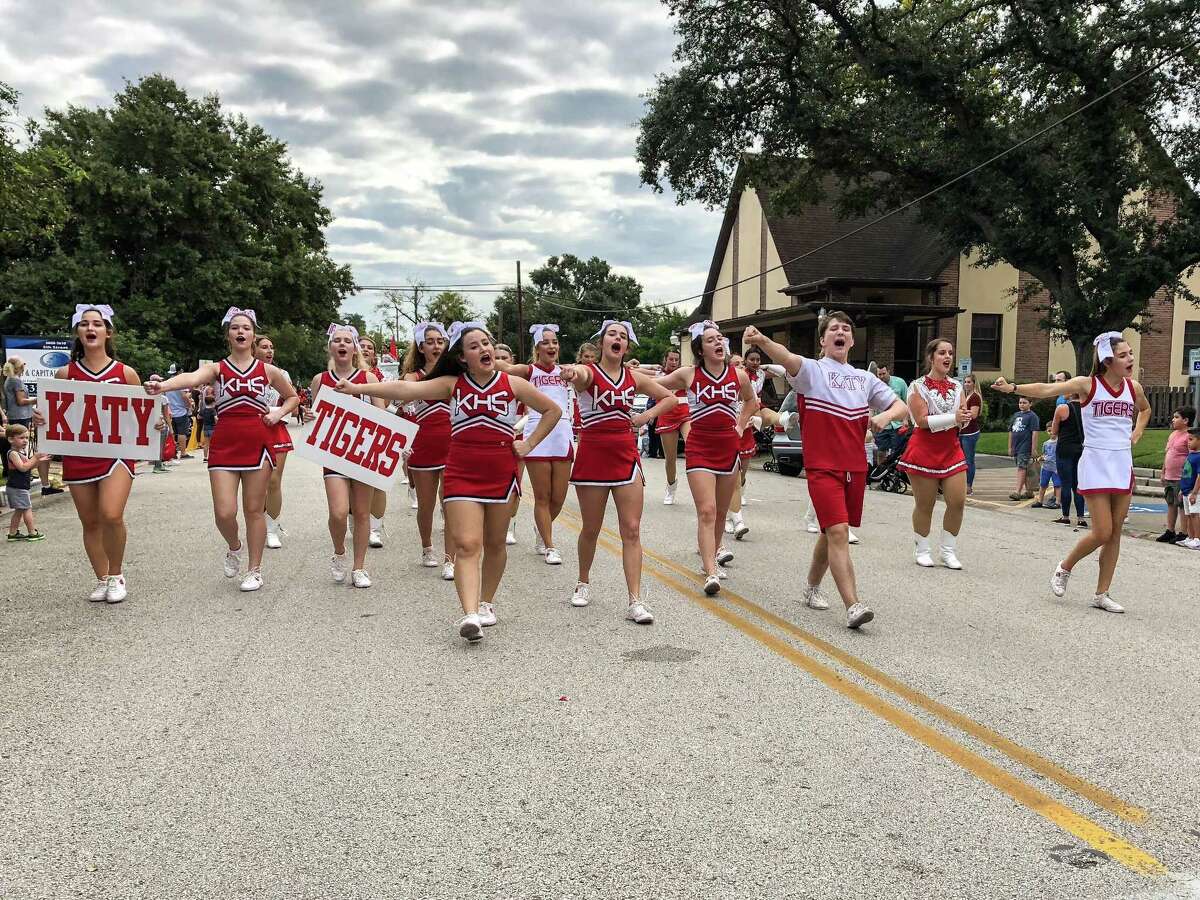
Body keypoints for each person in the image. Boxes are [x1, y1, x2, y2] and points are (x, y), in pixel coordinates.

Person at [339, 322, 562, 642]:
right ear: (461, 357)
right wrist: (358, 389)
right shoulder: (451, 384)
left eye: (486, 343)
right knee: (467, 544)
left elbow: (551, 410)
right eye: (474, 346)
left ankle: (486, 603)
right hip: (461, 471)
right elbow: (406, 390)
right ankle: (470, 613)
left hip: (501, 470)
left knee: (496, 543)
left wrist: (528, 444)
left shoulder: (512, 384)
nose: (484, 349)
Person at [744, 313, 907, 628]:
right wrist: (762, 340)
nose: (840, 332)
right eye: (834, 329)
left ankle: (811, 587)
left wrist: (885, 418)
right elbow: (788, 358)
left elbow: (899, 406)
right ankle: (853, 605)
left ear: (852, 340)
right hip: (822, 466)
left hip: (855, 466)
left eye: (846, 329)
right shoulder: (813, 372)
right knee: (837, 531)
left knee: (832, 530)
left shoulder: (864, 378)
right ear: (823, 340)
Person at [992, 331, 1151, 613]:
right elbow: (1046, 390)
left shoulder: (1133, 387)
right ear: (1106, 359)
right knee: (1102, 531)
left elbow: (1145, 410)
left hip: (1121, 464)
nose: (1130, 358)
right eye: (1124, 355)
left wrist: (1137, 431)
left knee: (1115, 533)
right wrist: (1013, 388)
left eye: (1130, 353)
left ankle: (1102, 593)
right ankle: (1064, 567)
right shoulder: (1087, 385)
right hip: (1095, 462)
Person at [146, 308, 298, 592]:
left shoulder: (268, 370)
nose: (241, 332)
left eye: (246, 328)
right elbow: (190, 378)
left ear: (253, 335)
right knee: (224, 512)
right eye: (235, 328)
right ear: (228, 334)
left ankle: (254, 569)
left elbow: (292, 398)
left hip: (257, 441)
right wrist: (163, 386)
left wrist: (277, 414)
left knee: (254, 510)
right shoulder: (217, 369)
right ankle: (234, 546)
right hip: (225, 442)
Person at [563, 320, 676, 622]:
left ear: (627, 346)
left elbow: (670, 397)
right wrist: (573, 372)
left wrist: (645, 417)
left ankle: (635, 600)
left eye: (622, 336)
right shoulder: (589, 374)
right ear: (602, 343)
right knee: (591, 528)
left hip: (625, 455)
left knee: (632, 529)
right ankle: (583, 581)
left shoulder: (633, 376)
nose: (617, 339)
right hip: (593, 456)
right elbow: (581, 374)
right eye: (611, 334)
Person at [44, 306, 149, 602]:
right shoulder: (65, 373)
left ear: (108, 332)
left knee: (111, 514)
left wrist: (154, 421)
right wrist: (43, 420)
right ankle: (102, 578)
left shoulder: (125, 373)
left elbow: (142, 413)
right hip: (79, 454)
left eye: (98, 324)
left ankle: (116, 574)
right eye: (85, 324)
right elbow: (56, 414)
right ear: (79, 332)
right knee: (89, 522)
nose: (91, 328)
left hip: (116, 454)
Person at [655, 320, 755, 594]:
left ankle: (710, 555)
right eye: (711, 340)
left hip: (728, 448)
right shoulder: (688, 374)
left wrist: (740, 424)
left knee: (721, 513)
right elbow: (654, 385)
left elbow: (751, 401)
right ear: (700, 350)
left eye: (720, 338)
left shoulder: (739, 375)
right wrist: (628, 376)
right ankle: (711, 572)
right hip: (700, 447)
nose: (718, 342)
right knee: (707, 510)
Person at [309, 324, 384, 588]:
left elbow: (382, 416)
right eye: (337, 340)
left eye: (347, 341)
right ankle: (340, 551)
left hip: (364, 453)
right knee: (339, 512)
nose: (342, 344)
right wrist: (311, 417)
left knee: (362, 513)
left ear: (354, 349)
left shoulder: (369, 379)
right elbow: (314, 416)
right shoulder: (321, 379)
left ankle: (359, 567)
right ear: (330, 347)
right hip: (335, 453)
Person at [493, 324, 575, 565]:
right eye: (546, 342)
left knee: (558, 498)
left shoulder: (565, 371)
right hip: (538, 435)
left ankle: (542, 528)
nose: (552, 346)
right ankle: (550, 545)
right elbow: (503, 366)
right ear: (537, 348)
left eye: (555, 342)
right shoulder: (529, 371)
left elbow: (586, 371)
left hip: (561, 435)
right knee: (543, 495)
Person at [897, 339, 970, 569]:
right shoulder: (917, 386)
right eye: (942, 353)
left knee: (957, 501)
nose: (947, 357)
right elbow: (921, 421)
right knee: (925, 504)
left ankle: (948, 551)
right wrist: (954, 418)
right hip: (924, 449)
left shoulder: (958, 386)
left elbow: (961, 415)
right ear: (931, 357)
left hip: (951, 448)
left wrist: (964, 420)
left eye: (950, 353)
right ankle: (922, 548)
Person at [402, 322, 456, 577]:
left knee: (451, 503)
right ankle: (427, 548)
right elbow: (397, 402)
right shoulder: (413, 377)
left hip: (453, 445)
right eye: (430, 342)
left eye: (440, 341)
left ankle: (450, 558)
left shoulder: (455, 376)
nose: (436, 346)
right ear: (421, 347)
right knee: (426, 505)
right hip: (424, 446)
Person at [725, 345, 786, 539]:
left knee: (742, 471)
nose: (743, 366)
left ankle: (782, 420)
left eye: (742, 364)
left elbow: (782, 371)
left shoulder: (752, 378)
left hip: (746, 425)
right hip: (728, 430)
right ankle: (732, 518)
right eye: (738, 364)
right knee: (730, 476)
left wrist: (763, 366)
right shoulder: (726, 384)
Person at [253, 336, 295, 550]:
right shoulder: (244, 371)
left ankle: (272, 528)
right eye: (264, 347)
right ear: (254, 349)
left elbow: (292, 399)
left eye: (272, 347)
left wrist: (279, 413)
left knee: (273, 480)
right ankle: (257, 525)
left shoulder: (281, 374)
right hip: (250, 430)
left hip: (275, 428)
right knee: (255, 482)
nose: (269, 351)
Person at [3, 357, 60, 496]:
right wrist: (41, 396)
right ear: (19, 366)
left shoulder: (9, 380)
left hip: (17, 416)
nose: (25, 364)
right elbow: (21, 401)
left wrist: (33, 411)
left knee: (19, 448)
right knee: (21, 447)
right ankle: (24, 478)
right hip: (20, 417)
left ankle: (26, 477)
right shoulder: (16, 380)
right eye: (23, 362)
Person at [358, 335, 391, 548]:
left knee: (377, 483)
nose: (366, 350)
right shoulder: (344, 375)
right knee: (354, 485)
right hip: (350, 434)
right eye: (361, 347)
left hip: (375, 433)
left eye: (370, 347)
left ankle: (375, 529)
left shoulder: (383, 377)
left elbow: (386, 405)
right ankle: (358, 520)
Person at [655, 347, 691, 505]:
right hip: (667, 417)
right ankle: (671, 486)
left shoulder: (684, 374)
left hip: (685, 415)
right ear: (665, 359)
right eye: (671, 359)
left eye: (677, 359)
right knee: (670, 459)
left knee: (693, 447)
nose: (674, 362)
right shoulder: (657, 374)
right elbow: (634, 371)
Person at [1157, 407, 1195, 543]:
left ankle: (1183, 532)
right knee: (1171, 503)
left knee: (1181, 505)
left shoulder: (1189, 437)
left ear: (1186, 420)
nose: (1173, 419)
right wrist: (1163, 472)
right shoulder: (1173, 435)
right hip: (1169, 475)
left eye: (1176, 417)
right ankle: (1170, 530)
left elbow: (1191, 458)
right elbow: (1168, 454)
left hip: (1181, 477)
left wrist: (1187, 478)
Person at [5, 424, 49, 542]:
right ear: (11, 439)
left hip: (19, 487)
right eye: (21, 438)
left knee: (19, 510)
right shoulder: (13, 453)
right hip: (17, 488)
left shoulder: (21, 452)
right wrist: (35, 458)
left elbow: (29, 466)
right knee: (27, 509)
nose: (25, 441)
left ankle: (13, 533)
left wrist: (38, 461)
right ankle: (32, 532)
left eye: (26, 438)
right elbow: (23, 468)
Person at [873, 363, 910, 462]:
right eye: (879, 375)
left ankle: (895, 473)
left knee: (897, 452)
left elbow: (906, 402)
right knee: (880, 452)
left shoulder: (900, 382)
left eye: (883, 374)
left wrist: (906, 420)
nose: (881, 377)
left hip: (897, 424)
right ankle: (881, 473)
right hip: (882, 426)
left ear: (888, 371)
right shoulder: (875, 384)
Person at [1007, 396, 1039, 500]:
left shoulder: (1032, 416)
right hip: (1016, 446)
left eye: (1024, 403)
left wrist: (1033, 448)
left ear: (1030, 404)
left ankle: (1017, 491)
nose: (1021, 404)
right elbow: (1011, 432)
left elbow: (1035, 432)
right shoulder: (1016, 415)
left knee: (1022, 468)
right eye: (1020, 402)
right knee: (1024, 468)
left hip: (1025, 447)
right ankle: (1029, 491)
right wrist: (1010, 447)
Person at [958, 373, 983, 495]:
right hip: (961, 432)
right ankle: (961, 484)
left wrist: (960, 413)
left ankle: (969, 485)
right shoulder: (965, 396)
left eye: (969, 382)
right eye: (965, 382)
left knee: (969, 460)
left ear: (974, 383)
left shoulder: (975, 397)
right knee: (960, 460)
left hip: (970, 433)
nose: (966, 384)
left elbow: (973, 414)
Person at [1177, 427, 1200, 549]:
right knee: (1189, 515)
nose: (1188, 442)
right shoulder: (1191, 455)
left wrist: (1195, 492)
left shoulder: (1199, 457)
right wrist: (1182, 489)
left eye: (1191, 439)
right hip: (1186, 490)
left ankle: (1197, 538)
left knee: (1195, 514)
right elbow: (1186, 474)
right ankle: (1190, 537)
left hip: (1193, 492)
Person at [165, 384, 194, 460]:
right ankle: (183, 453)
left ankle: (172, 452)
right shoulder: (181, 384)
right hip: (180, 412)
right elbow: (184, 396)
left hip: (170, 412)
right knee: (182, 433)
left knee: (173, 433)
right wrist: (189, 406)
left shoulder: (168, 383)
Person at [199, 389, 217, 462]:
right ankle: (213, 457)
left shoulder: (203, 410)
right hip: (212, 428)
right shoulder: (213, 410)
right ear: (213, 402)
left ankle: (205, 457)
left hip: (205, 428)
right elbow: (215, 418)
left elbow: (198, 417)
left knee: (206, 444)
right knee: (213, 444)